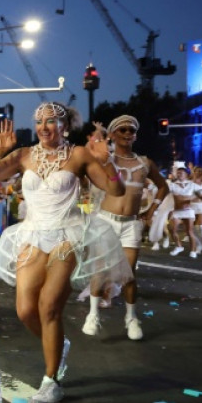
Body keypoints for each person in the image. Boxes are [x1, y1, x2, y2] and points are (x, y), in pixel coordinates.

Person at [0, 102, 133, 403]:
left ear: (65, 125)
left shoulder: (79, 154)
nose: (43, 127)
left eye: (51, 121)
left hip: (67, 235)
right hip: (32, 234)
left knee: (49, 306)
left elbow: (116, 190)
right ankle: (59, 345)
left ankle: (51, 381)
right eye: (39, 121)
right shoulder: (24, 155)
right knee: (25, 310)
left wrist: (107, 161)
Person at [81, 115, 168, 341]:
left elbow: (163, 186)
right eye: (122, 130)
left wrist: (151, 211)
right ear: (113, 135)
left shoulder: (145, 163)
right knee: (100, 270)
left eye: (131, 130)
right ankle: (93, 315)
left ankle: (131, 318)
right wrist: (96, 140)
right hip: (105, 221)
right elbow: (83, 173)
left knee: (129, 275)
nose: (128, 133)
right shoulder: (104, 160)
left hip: (131, 224)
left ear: (136, 135)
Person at [167, 165, 197, 256]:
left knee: (189, 232)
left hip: (188, 210)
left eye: (181, 173)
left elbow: (198, 196)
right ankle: (179, 246)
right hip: (177, 211)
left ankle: (193, 251)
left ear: (186, 174)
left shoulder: (192, 184)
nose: (179, 174)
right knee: (171, 228)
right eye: (178, 173)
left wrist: (190, 200)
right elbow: (167, 196)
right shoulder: (172, 185)